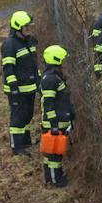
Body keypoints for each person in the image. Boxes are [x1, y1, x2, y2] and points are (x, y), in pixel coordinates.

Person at [0, 9, 39, 154]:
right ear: (18, 27)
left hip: (29, 88)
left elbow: (34, 65)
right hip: (17, 89)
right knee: (18, 117)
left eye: (30, 26)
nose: (29, 29)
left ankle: (26, 141)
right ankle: (17, 147)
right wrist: (14, 87)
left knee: (28, 115)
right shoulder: (9, 45)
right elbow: (8, 68)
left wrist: (38, 81)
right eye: (26, 27)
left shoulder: (28, 42)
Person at [38, 45, 73, 188]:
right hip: (54, 123)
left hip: (58, 121)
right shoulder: (50, 79)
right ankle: (55, 180)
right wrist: (53, 125)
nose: (64, 63)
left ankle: (50, 177)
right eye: (62, 60)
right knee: (54, 154)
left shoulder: (54, 77)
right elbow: (49, 105)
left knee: (52, 152)